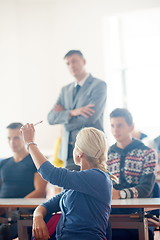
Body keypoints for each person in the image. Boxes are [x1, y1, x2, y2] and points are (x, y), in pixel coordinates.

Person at [20, 124, 114, 240]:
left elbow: (51, 174)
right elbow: (47, 205)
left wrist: (30, 143)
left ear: (80, 153)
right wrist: (37, 216)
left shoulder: (98, 177)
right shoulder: (77, 182)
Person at [48, 50, 107, 170]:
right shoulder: (65, 90)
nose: (71, 65)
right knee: (68, 189)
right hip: (69, 153)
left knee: (90, 188)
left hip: (91, 152)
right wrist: (72, 112)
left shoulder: (98, 85)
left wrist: (65, 120)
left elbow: (91, 118)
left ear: (84, 61)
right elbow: (51, 118)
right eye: (68, 63)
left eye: (74, 61)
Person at [107, 108, 157, 240]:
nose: (115, 130)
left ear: (131, 127)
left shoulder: (148, 153)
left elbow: (146, 189)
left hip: (137, 215)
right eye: (112, 125)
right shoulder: (107, 154)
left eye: (120, 125)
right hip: (111, 215)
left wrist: (120, 194)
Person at [0, 122, 47, 239]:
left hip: (24, 213)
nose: (12, 142)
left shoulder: (35, 161)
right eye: (9, 138)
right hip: (4, 212)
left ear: (23, 137)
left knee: (4, 231)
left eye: (16, 138)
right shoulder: (3, 163)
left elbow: (40, 191)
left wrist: (12, 207)